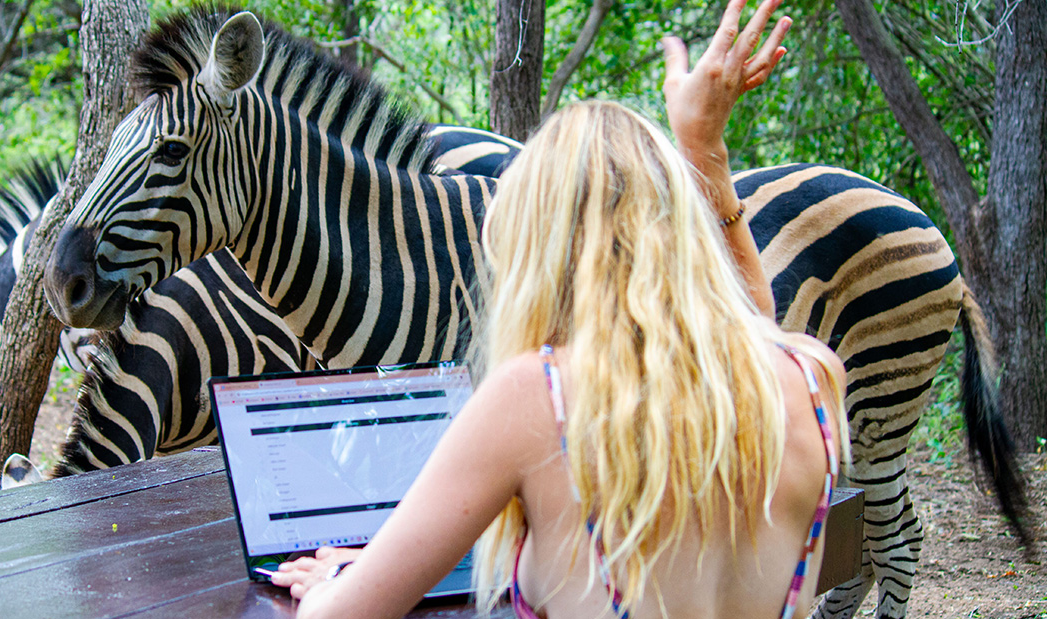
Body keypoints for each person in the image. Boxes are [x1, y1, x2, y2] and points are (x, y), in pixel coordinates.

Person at [270, 1, 848, 617]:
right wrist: (704, 149)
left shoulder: (537, 396)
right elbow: (754, 332)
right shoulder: (812, 381)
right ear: (683, 232)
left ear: (536, 248)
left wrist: (330, 585)